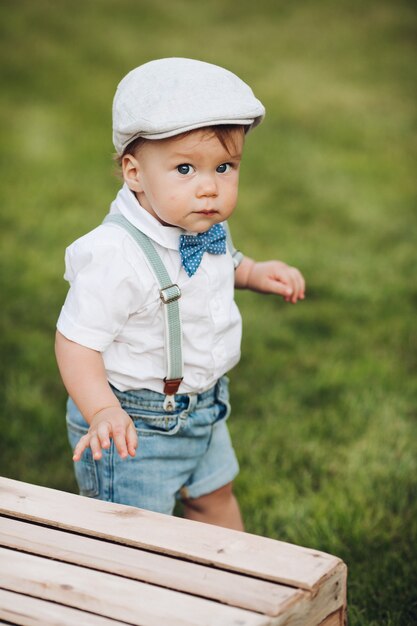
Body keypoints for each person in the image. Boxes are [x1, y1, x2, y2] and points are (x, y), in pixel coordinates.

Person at [55, 58, 305, 531]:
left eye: (225, 167)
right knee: (133, 531)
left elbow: (219, 265)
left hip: (207, 406)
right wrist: (102, 409)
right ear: (134, 172)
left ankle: (230, 579)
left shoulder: (203, 223)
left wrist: (254, 272)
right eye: (185, 168)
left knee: (214, 498)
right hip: (137, 421)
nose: (209, 188)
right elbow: (76, 341)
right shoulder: (114, 256)